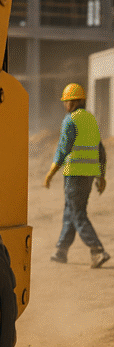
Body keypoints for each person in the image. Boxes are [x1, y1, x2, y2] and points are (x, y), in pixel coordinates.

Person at [44, 82, 109, 268]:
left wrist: (50, 174)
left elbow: (62, 150)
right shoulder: (91, 119)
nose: (65, 105)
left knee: (78, 213)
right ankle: (61, 251)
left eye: (67, 101)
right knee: (71, 211)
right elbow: (101, 151)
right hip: (89, 176)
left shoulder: (70, 120)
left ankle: (97, 250)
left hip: (74, 175)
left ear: (74, 102)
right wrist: (101, 176)